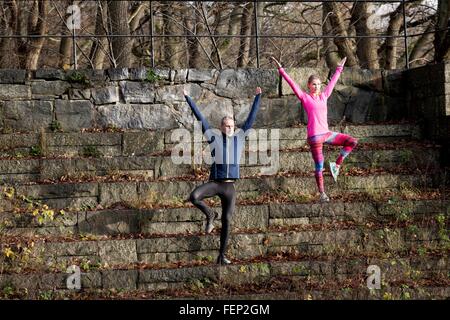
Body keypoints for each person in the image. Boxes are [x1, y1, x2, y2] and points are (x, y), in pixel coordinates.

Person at [184, 87, 262, 265]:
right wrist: (188, 98)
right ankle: (210, 214)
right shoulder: (213, 137)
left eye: (232, 126)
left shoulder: (240, 137)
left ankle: (221, 256)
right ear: (221, 127)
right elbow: (201, 118)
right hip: (216, 183)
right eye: (226, 126)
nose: (229, 128)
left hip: (229, 187)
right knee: (194, 196)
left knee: (227, 220)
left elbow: (251, 119)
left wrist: (258, 97)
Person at [270, 56, 357, 203]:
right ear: (309, 86)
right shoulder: (305, 97)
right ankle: (322, 194)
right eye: (314, 84)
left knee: (352, 141)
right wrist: (281, 70)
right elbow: (292, 84)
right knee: (319, 166)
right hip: (315, 136)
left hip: (327, 133)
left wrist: (339, 68)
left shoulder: (324, 96)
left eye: (318, 84)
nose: (317, 87)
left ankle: (336, 164)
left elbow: (333, 82)